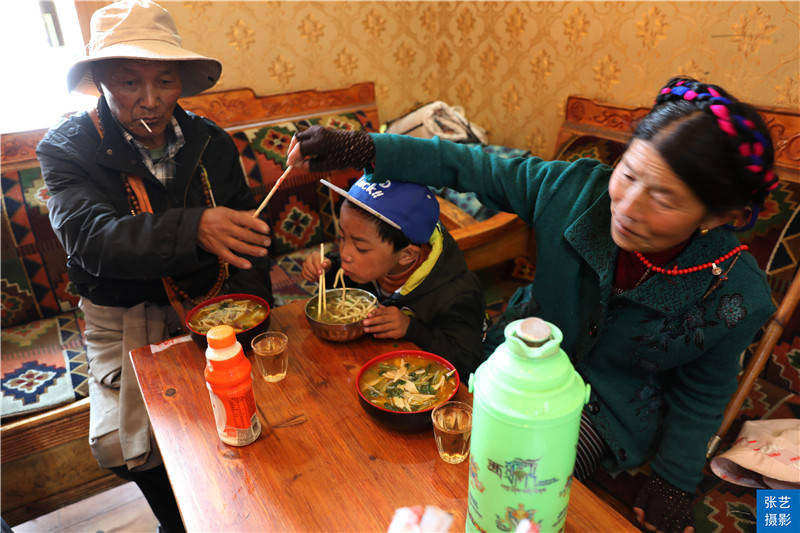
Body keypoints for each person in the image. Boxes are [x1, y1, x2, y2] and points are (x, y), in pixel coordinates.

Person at [286, 77, 779, 533]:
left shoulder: (733, 293)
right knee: (434, 439)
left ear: (718, 216)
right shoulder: (574, 190)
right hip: (511, 357)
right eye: (628, 175)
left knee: (516, 483)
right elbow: (470, 165)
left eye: (664, 199)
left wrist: (673, 480)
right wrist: (365, 146)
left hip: (604, 409)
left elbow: (702, 393)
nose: (627, 208)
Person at [36, 1, 272, 531]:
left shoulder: (211, 141)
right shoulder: (66, 148)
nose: (150, 100)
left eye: (165, 81)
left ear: (182, 82)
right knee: (139, 452)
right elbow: (89, 240)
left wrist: (254, 316)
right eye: (128, 82)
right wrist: (195, 228)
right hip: (124, 318)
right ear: (99, 80)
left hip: (213, 305)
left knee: (237, 428)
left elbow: (251, 237)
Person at [302, 176, 486, 379]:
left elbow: (469, 363)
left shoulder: (457, 294)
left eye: (361, 247)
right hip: (363, 365)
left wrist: (411, 329)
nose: (345, 253)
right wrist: (325, 271)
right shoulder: (361, 264)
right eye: (342, 237)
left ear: (407, 255)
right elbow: (333, 300)